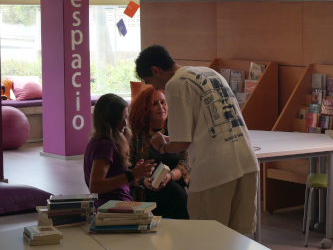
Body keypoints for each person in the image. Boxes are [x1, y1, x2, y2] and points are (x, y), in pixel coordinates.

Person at [134, 45, 259, 234]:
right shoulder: (210, 73)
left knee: (207, 238)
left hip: (216, 171)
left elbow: (181, 144)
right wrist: (172, 139)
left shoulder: (175, 84)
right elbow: (206, 127)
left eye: (151, 82)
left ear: (155, 70)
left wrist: (162, 147)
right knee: (238, 238)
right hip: (247, 163)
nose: (155, 88)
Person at [128, 87, 191, 219]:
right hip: (146, 191)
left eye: (163, 102)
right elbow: (127, 171)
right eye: (155, 104)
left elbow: (185, 164)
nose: (160, 107)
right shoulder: (137, 136)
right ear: (145, 109)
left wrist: (168, 177)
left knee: (171, 188)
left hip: (175, 187)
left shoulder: (178, 131)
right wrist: (144, 181)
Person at [84, 93, 155, 208]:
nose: (125, 124)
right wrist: (131, 174)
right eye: (121, 119)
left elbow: (114, 181)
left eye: (126, 117)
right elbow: (95, 186)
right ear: (109, 120)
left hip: (112, 205)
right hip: (115, 207)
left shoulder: (96, 141)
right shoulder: (106, 146)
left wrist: (135, 175)